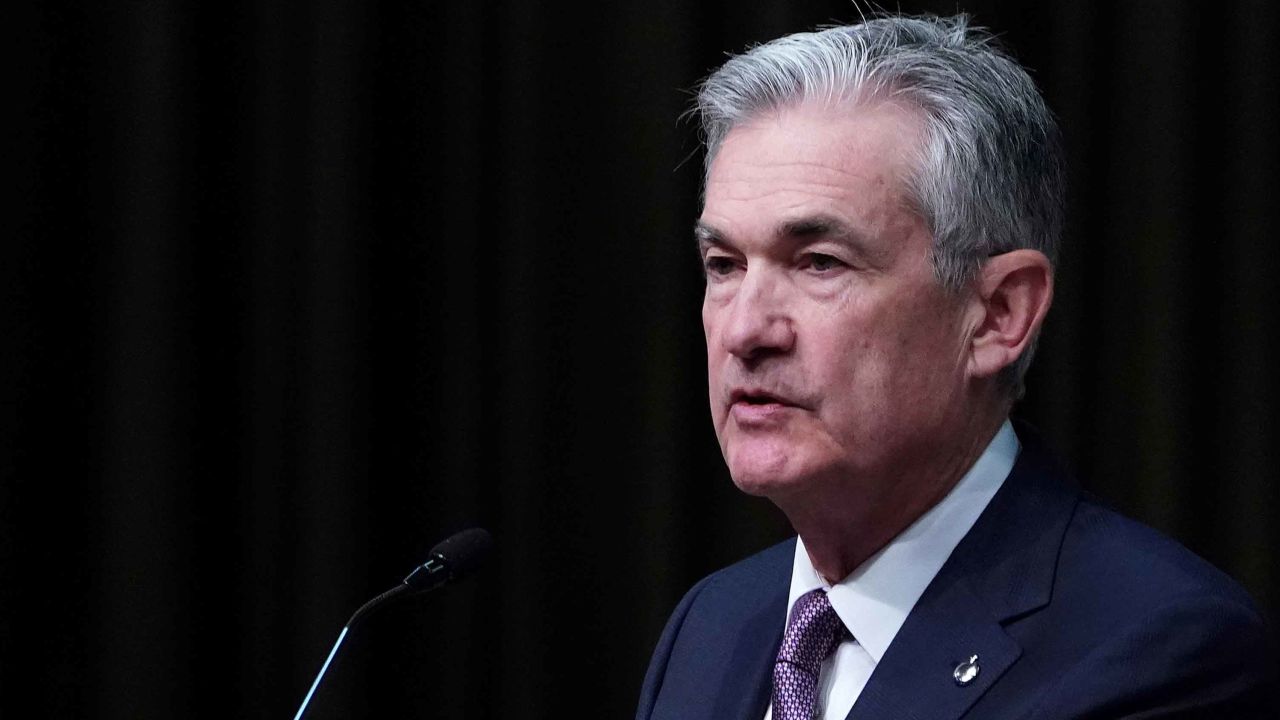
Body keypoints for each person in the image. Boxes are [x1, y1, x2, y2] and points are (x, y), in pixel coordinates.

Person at [635, 13, 1274, 720]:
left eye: (819, 263)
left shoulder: (1157, 651)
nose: (745, 329)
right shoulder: (713, 626)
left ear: (999, 313)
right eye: (724, 265)